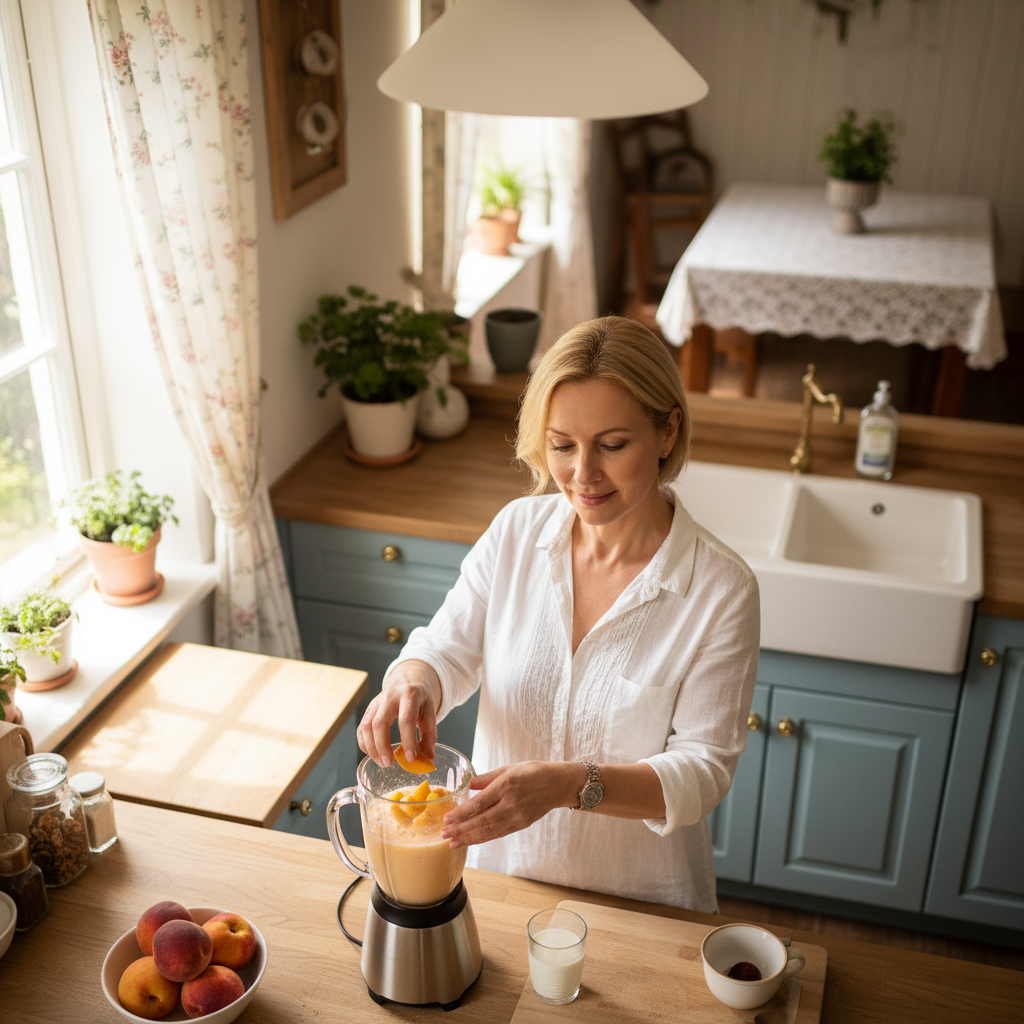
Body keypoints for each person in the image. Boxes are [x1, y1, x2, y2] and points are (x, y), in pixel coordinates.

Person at [357, 316, 760, 912]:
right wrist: (413, 679)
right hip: (500, 885)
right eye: (562, 445)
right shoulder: (517, 532)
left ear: (668, 431)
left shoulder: (721, 590)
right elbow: (445, 649)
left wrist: (570, 784)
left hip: (640, 906)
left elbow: (701, 774)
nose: (582, 474)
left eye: (613, 445)